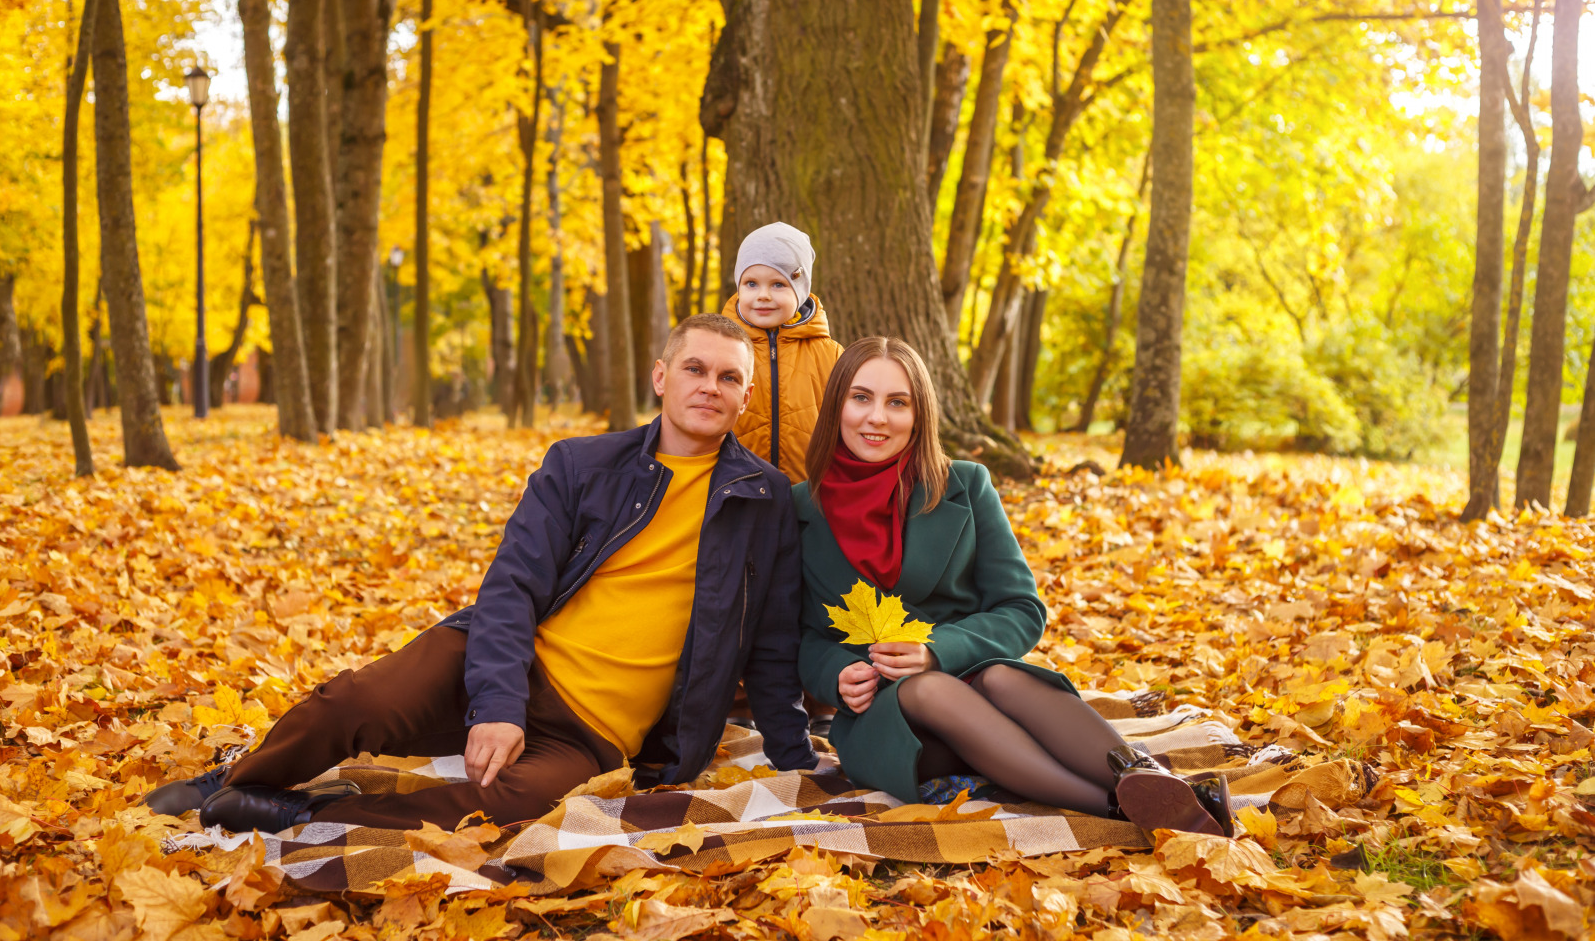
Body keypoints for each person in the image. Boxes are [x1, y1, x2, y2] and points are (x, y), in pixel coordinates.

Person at [144, 314, 816, 832]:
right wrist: (497, 706)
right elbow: (512, 586)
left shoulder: (765, 501)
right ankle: (241, 778)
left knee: (508, 805)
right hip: (507, 664)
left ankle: (304, 816)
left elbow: (773, 641)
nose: (710, 387)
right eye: (695, 369)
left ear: (748, 395)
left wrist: (792, 756)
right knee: (355, 704)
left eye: (729, 378)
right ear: (661, 377)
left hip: (597, 732)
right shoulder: (581, 466)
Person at [794, 337, 1232, 836]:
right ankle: (1120, 808)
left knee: (1001, 677)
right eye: (861, 397)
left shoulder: (966, 485)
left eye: (898, 402)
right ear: (836, 406)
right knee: (930, 689)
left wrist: (937, 647)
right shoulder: (800, 509)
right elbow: (802, 637)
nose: (878, 417)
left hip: (989, 689)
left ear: (920, 414)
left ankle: (1150, 781)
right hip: (890, 723)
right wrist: (837, 674)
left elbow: (1022, 609)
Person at [722, 222, 843, 484]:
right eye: (751, 283)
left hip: (809, 494)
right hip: (735, 491)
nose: (763, 295)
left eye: (778, 284)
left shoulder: (830, 355)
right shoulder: (721, 347)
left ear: (800, 291)